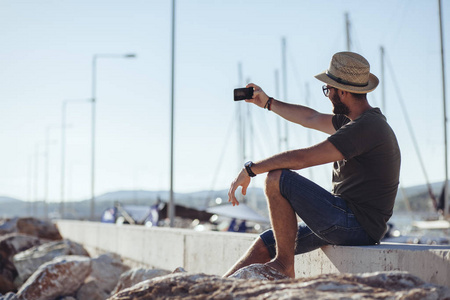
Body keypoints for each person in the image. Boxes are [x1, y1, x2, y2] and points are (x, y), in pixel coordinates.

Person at [225, 52, 401, 278]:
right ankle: (218, 288)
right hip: (345, 218)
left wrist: (250, 169)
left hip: (356, 225)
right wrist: (268, 103)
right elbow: (310, 118)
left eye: (328, 90)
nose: (327, 95)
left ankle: (284, 266)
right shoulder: (354, 122)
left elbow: (302, 159)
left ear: (343, 92)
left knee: (277, 178)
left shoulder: (366, 127)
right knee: (265, 243)